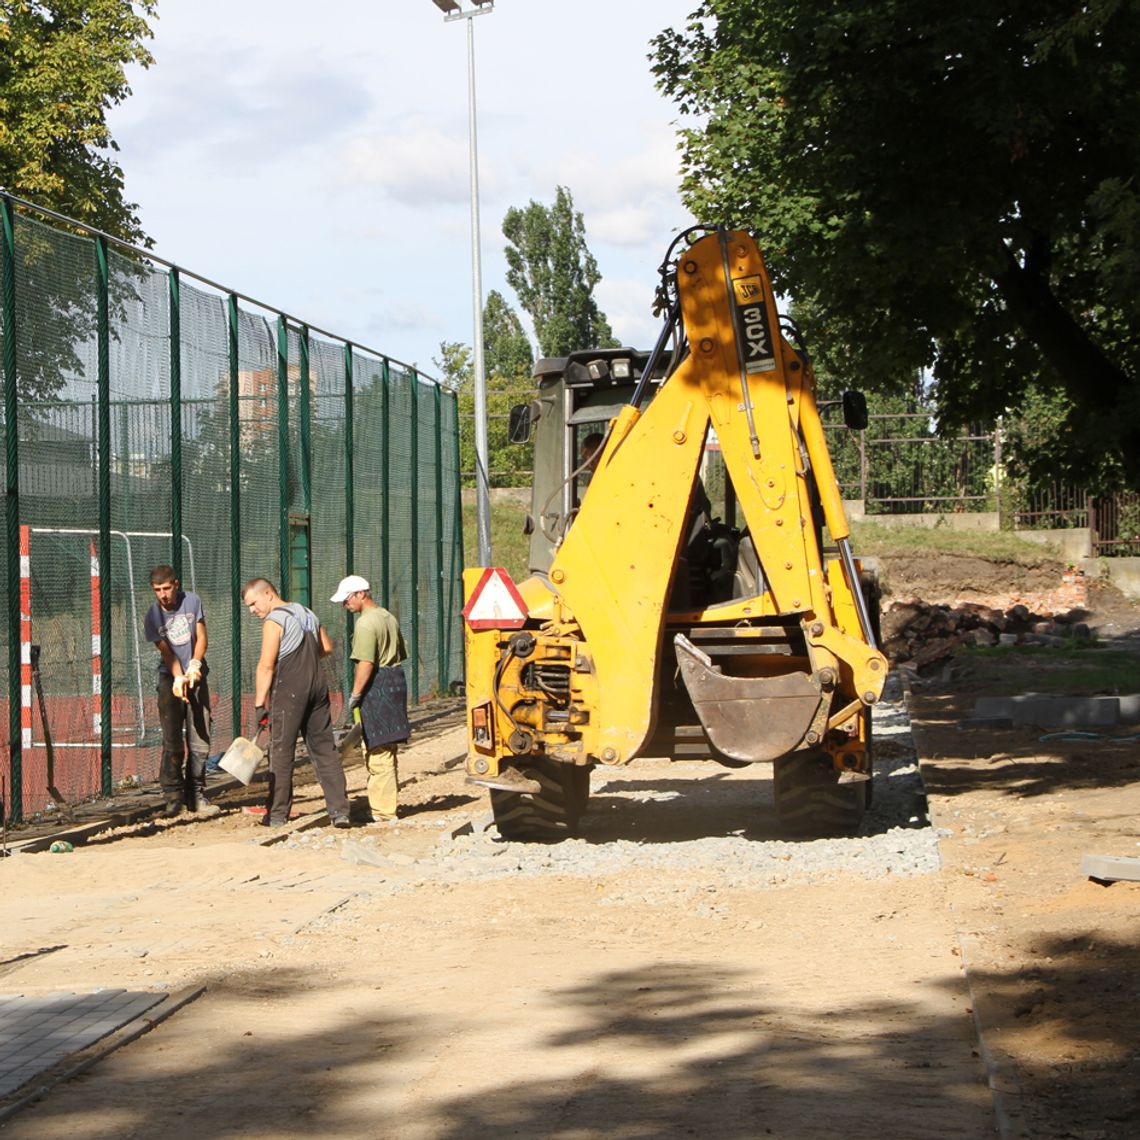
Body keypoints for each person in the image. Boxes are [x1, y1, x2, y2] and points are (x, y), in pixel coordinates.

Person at [242, 577, 351, 829]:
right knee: (325, 750)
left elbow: (266, 665)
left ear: (268, 594)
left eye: (253, 603)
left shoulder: (274, 620)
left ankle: (277, 814)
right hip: (318, 687)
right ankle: (340, 812)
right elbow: (326, 647)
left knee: (281, 751)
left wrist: (260, 704)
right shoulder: (306, 612)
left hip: (290, 690)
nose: (252, 611)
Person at [331, 575, 409, 823]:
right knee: (388, 747)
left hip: (377, 686)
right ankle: (385, 806)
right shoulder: (388, 616)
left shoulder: (365, 624)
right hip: (396, 682)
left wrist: (355, 694)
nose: (345, 605)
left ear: (361, 594)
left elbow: (366, 663)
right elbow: (400, 653)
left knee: (377, 751)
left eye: (347, 599)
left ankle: (383, 812)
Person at [144, 565, 219, 818]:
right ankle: (173, 797)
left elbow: (202, 637)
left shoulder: (192, 601)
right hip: (170, 679)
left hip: (196, 676)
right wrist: (178, 678)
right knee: (172, 740)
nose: (163, 594)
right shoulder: (152, 616)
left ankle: (196, 795)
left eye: (166, 588)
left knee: (200, 737)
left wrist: (195, 666)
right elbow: (166, 651)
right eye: (157, 590)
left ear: (176, 584)